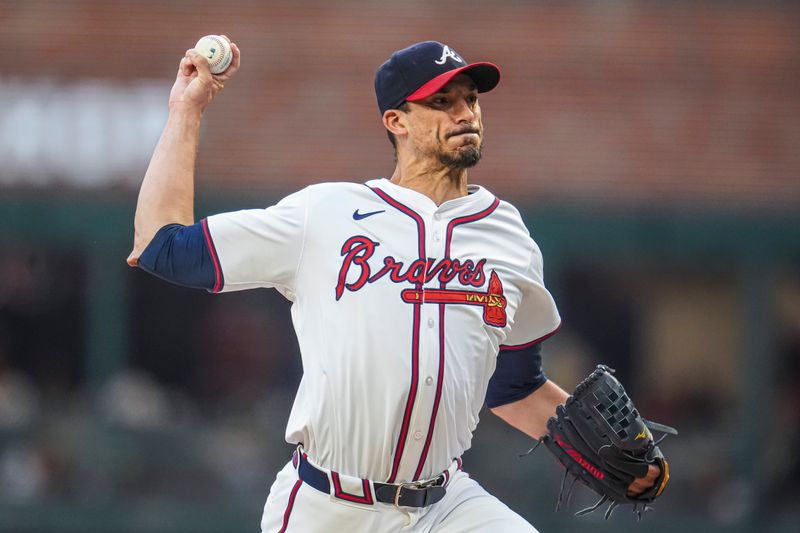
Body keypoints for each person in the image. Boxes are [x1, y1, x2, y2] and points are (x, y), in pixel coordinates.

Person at [127, 38, 659, 532]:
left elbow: (513, 386)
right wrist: (186, 110)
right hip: (326, 506)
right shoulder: (327, 214)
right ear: (396, 120)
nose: (464, 112)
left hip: (444, 507)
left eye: (470, 98)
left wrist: (613, 452)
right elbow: (163, 247)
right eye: (442, 101)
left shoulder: (508, 236)